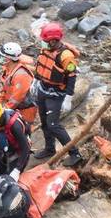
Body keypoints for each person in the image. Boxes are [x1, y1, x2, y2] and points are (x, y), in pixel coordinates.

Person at [34, 22, 81, 164]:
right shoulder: (47, 49)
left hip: (56, 94)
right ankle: (50, 148)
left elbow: (72, 76)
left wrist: (68, 97)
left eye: (45, 41)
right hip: (43, 89)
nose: (43, 43)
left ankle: (75, 153)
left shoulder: (65, 56)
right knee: (44, 122)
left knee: (53, 124)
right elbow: (41, 65)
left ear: (53, 41)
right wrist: (35, 81)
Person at [0, 101, 30, 177]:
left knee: (10, 179)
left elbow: (25, 148)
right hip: (5, 149)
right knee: (1, 173)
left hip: (19, 152)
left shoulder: (15, 126)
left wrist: (17, 170)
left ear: (0, 118)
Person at [0, 41, 38, 129]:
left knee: (23, 131)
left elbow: (17, 98)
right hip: (14, 108)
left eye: (2, 56)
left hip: (25, 110)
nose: (0, 58)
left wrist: (3, 111)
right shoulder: (8, 69)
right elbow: (5, 89)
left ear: (8, 59)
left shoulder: (21, 75)